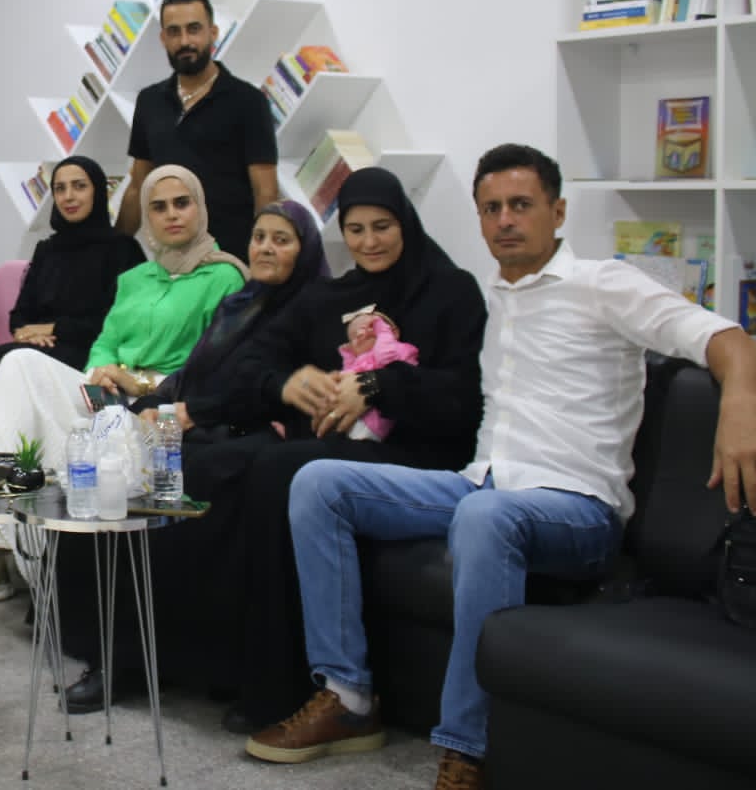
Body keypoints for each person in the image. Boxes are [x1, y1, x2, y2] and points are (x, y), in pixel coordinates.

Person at [246, 145, 756, 790]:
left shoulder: (604, 284)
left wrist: (739, 406)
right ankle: (347, 696)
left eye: (521, 205)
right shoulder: (493, 295)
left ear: (557, 211)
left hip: (579, 509)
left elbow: (728, 338)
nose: (505, 220)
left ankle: (470, 747)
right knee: (319, 483)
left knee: (487, 516)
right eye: (491, 209)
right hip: (482, 483)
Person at [217, 166, 488, 735]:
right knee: (243, 463)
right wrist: (285, 383)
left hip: (420, 457)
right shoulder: (327, 297)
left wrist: (378, 385)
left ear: (405, 223)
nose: (369, 242)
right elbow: (248, 361)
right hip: (336, 452)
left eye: (382, 227)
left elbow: (462, 399)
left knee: (284, 467)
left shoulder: (450, 290)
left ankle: (298, 690)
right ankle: (251, 675)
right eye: (356, 230)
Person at [56, 200, 329, 706]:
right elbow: (195, 369)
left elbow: (272, 389)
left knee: (188, 478)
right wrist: (154, 405)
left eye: (282, 240)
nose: (267, 248)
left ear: (305, 249)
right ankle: (101, 642)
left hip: (263, 435)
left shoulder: (312, 308)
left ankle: (149, 662)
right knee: (102, 466)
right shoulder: (239, 303)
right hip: (204, 422)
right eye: (260, 237)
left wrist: (192, 413)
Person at [0, 166, 246, 607]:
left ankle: (1, 552)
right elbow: (104, 343)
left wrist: (137, 381)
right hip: (107, 395)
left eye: (182, 203)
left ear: (201, 207)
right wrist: (101, 377)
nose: (172, 215)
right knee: (17, 362)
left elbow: (210, 366)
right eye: (158, 207)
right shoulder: (136, 278)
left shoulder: (226, 278)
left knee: (101, 431)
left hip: (161, 410)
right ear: (148, 217)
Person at [0, 156, 146, 450]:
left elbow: (115, 324)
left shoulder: (122, 249)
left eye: (79, 186)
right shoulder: (47, 250)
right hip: (38, 350)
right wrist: (27, 333)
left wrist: (53, 329)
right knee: (7, 359)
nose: (68, 196)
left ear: (98, 192)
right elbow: (19, 315)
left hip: (91, 355)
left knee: (2, 358)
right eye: (60, 188)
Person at [115, 0, 278, 259]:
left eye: (194, 29)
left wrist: (261, 259)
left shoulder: (248, 101)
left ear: (212, 33)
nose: (185, 41)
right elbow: (138, 186)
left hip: (230, 259)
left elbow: (266, 191)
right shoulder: (149, 101)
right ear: (163, 38)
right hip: (170, 258)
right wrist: (113, 247)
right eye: (174, 32)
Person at [337, 310, 417, 442]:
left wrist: (382, 330)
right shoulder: (361, 358)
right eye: (354, 336)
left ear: (393, 332)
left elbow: (387, 360)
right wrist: (348, 354)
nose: (361, 333)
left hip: (373, 423)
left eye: (370, 327)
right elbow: (347, 371)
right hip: (351, 414)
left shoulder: (399, 349)